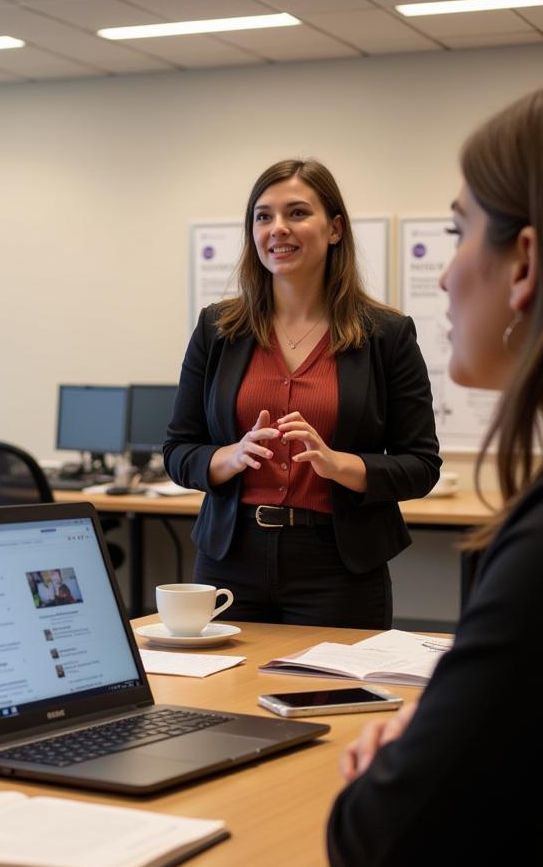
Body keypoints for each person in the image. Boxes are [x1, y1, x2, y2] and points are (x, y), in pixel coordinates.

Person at [327, 77, 543, 867]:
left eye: (458, 229)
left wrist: (395, 770)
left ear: (527, 265)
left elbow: (386, 856)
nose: (442, 269)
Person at [164, 159, 440, 628]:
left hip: (338, 564)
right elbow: (177, 450)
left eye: (296, 213)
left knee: (331, 699)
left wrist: (340, 465)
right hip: (231, 559)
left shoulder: (386, 335)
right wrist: (232, 457)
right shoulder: (217, 329)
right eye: (263, 216)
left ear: (334, 229)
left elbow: (421, 465)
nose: (278, 229)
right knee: (215, 698)